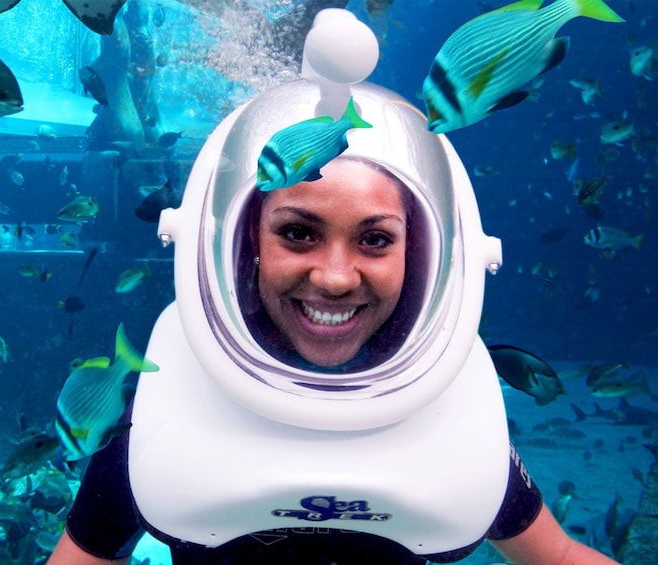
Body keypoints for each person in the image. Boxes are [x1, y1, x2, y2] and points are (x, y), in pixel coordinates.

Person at [48, 9, 619, 565]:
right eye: (297, 233)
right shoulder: (165, 418)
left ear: (418, 253)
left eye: (375, 240)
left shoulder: (443, 404)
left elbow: (561, 555)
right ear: (248, 240)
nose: (335, 278)